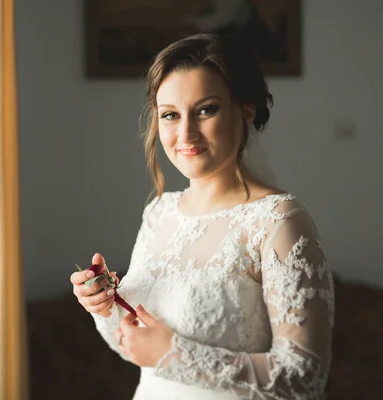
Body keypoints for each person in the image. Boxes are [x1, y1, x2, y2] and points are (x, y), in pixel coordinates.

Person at [70, 32, 334, 400]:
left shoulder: (278, 221)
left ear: (245, 111)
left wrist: (174, 354)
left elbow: (303, 377)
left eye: (206, 109)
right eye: (170, 115)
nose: (185, 133)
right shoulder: (159, 213)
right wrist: (103, 305)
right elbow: (136, 346)